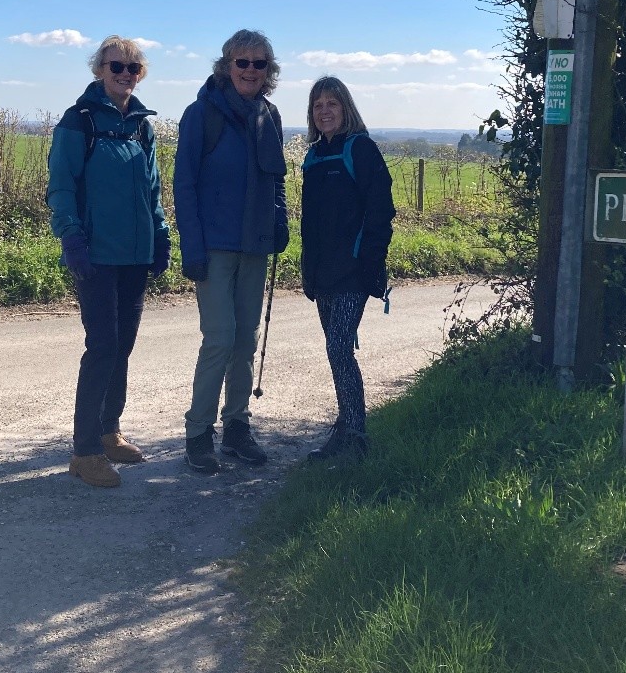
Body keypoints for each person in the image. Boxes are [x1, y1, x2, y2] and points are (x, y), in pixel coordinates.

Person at [47, 36, 170, 489]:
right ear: (99, 70)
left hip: (135, 255)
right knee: (102, 347)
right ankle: (85, 452)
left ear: (141, 74)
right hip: (95, 254)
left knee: (123, 346)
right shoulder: (78, 120)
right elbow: (61, 186)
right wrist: (71, 237)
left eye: (132, 68)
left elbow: (153, 190)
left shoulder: (142, 126)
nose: (124, 74)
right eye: (115, 66)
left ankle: (108, 430)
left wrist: (161, 234)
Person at [173, 29, 289, 475]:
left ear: (268, 71)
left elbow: (276, 179)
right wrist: (192, 247)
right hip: (214, 248)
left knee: (245, 341)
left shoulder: (269, 115)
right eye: (242, 62)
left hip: (254, 246)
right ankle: (198, 434)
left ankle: (237, 428)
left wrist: (279, 221)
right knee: (220, 338)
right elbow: (184, 185)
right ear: (226, 66)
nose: (251, 70)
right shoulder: (201, 114)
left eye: (260, 63)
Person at [300, 76, 395, 464]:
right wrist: (307, 272)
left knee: (339, 348)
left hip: (353, 271)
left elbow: (381, 211)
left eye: (332, 104)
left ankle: (356, 436)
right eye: (317, 105)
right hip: (322, 273)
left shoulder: (361, 149)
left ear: (346, 108)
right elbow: (309, 223)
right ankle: (345, 429)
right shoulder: (314, 157)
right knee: (336, 351)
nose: (324, 111)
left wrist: (369, 263)